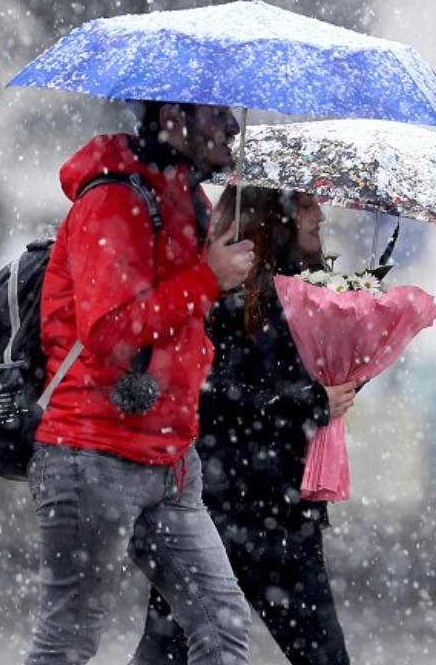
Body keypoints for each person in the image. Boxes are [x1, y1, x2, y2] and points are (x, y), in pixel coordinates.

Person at [29, 101, 256, 665]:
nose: (232, 125)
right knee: (67, 641)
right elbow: (110, 330)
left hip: (171, 459)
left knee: (222, 626)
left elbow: (185, 321)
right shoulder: (114, 199)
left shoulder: (188, 200)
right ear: (171, 116)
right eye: (215, 113)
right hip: (92, 452)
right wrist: (207, 278)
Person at [133, 186, 357, 665]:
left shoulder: (314, 292)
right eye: (306, 204)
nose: (320, 213)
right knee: (168, 653)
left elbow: (302, 391)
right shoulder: (221, 295)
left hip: (286, 518)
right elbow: (209, 393)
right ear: (274, 216)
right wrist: (306, 403)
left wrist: (345, 378)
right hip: (217, 513)